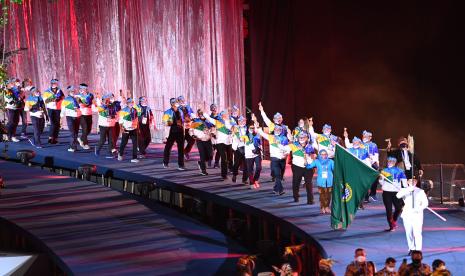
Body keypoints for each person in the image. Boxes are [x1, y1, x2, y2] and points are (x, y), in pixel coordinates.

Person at [345, 129, 380, 202]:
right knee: (363, 180)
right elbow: (348, 145)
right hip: (362, 164)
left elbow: (376, 155)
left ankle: (372, 193)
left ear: (370, 137)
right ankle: (364, 196)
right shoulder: (359, 143)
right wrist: (346, 137)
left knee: (376, 176)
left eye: (367, 136)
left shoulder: (374, 145)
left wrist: (377, 162)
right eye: (364, 135)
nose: (365, 137)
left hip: (372, 162)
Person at [396, 179, 429, 254]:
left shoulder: (420, 191)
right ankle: (411, 248)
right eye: (411, 181)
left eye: (414, 181)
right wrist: (408, 190)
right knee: (409, 232)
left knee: (417, 233)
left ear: (416, 182)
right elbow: (398, 196)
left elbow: (425, 203)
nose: (412, 182)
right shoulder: (404, 190)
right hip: (407, 214)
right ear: (407, 182)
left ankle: (418, 250)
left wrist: (418, 209)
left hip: (417, 215)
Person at [283, 131, 315, 204]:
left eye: (303, 137)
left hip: (308, 167)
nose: (301, 138)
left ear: (307, 138)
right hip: (297, 167)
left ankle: (310, 200)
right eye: (300, 137)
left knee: (309, 184)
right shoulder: (294, 145)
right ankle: (296, 197)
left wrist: (310, 158)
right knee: (296, 183)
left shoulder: (310, 146)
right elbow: (284, 148)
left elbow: (313, 157)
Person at [257, 124, 290, 195]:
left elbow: (288, 148)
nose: (277, 131)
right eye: (276, 130)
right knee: (277, 175)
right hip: (274, 158)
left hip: (282, 159)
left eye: (279, 130)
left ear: (281, 130)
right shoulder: (271, 137)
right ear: (274, 130)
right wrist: (257, 126)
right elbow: (262, 133)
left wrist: (286, 153)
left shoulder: (284, 138)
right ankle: (280, 190)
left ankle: (275, 188)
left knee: (280, 176)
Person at [379, 156, 407, 231]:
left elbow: (404, 183)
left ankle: (393, 220)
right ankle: (391, 226)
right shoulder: (384, 171)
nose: (390, 163)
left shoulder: (400, 171)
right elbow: (381, 183)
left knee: (399, 208)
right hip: (386, 193)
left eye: (391, 161)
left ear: (395, 163)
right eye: (389, 161)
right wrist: (381, 178)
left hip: (396, 192)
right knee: (389, 210)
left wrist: (405, 190)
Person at [204, 110, 233, 180]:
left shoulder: (231, 122)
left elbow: (234, 130)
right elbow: (209, 119)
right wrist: (203, 111)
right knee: (224, 159)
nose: (227, 115)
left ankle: (230, 168)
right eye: (225, 114)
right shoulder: (218, 122)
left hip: (229, 142)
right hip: (220, 142)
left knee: (229, 158)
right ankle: (224, 175)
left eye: (227, 114)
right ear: (222, 115)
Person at [307, 149, 334, 214]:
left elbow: (334, 169)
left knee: (328, 195)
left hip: (329, 181)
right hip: (321, 181)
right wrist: (306, 163)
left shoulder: (330, 161)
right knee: (322, 195)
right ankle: (322, 207)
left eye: (325, 154)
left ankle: (327, 207)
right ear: (320, 155)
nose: (324, 156)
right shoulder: (317, 161)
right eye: (322, 154)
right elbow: (309, 167)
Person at [162, 98, 185, 170]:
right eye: (175, 102)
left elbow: (183, 121)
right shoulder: (167, 112)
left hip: (180, 131)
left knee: (181, 149)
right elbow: (164, 122)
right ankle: (165, 162)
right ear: (172, 104)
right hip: (171, 131)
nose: (177, 103)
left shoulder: (180, 111)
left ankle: (181, 165)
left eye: (177, 102)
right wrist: (170, 123)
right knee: (168, 147)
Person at [190, 109, 214, 175]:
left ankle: (201, 163)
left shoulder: (208, 121)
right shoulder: (195, 122)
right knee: (202, 155)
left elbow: (213, 129)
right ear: (198, 115)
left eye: (202, 113)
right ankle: (203, 170)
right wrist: (193, 135)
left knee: (210, 155)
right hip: (199, 140)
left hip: (207, 140)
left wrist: (212, 133)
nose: (201, 115)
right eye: (200, 114)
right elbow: (191, 130)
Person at [94, 94, 117, 158]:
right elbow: (95, 110)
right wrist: (94, 103)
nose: (107, 101)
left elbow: (116, 115)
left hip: (111, 125)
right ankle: (98, 149)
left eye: (108, 100)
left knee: (111, 140)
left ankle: (110, 153)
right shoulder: (101, 107)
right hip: (103, 125)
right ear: (103, 100)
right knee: (103, 140)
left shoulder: (112, 106)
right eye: (106, 100)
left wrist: (113, 118)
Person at [43, 78, 64, 144]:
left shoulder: (60, 91)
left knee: (57, 124)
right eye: (54, 83)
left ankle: (55, 138)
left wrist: (60, 98)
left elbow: (63, 98)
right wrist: (53, 98)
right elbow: (45, 101)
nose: (55, 84)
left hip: (58, 108)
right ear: (51, 84)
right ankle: (50, 137)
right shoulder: (47, 91)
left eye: (56, 83)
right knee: (53, 123)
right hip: (51, 108)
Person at [60, 86, 81, 152]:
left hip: (77, 117)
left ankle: (74, 146)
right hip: (70, 117)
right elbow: (63, 109)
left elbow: (80, 107)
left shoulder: (77, 98)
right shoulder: (66, 100)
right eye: (72, 91)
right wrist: (61, 117)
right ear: (69, 92)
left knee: (76, 132)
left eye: (74, 91)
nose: (73, 92)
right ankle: (73, 147)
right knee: (72, 132)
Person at [118, 98, 139, 163]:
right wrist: (121, 129)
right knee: (124, 143)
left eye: (132, 102)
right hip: (126, 129)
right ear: (127, 103)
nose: (131, 104)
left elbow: (136, 119)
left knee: (135, 144)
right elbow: (120, 121)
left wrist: (137, 127)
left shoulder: (135, 110)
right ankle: (120, 154)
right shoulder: (123, 111)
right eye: (130, 103)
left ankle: (134, 158)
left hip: (133, 129)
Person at [177, 96, 195, 160]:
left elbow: (192, 114)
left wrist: (193, 119)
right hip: (181, 127)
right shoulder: (177, 108)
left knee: (192, 140)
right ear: (178, 101)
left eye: (183, 99)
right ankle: (181, 155)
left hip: (189, 126)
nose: (182, 101)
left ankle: (186, 151)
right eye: (180, 100)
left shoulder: (188, 107)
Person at [244, 122, 262, 189]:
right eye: (250, 128)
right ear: (248, 128)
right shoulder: (246, 135)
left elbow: (260, 143)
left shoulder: (256, 135)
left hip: (257, 153)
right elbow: (248, 143)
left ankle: (255, 180)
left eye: (253, 128)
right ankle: (251, 182)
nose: (252, 129)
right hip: (249, 154)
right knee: (250, 169)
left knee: (259, 168)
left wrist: (260, 148)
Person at [231, 116, 248, 184]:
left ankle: (244, 179)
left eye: (243, 121)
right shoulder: (236, 127)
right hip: (238, 148)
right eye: (240, 121)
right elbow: (237, 135)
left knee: (246, 164)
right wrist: (240, 138)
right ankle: (234, 175)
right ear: (238, 122)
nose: (242, 122)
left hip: (246, 148)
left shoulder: (247, 128)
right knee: (237, 163)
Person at [76, 83, 94, 149]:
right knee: (85, 129)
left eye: (84, 88)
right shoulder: (77, 96)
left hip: (89, 114)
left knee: (88, 130)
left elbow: (88, 103)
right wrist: (79, 101)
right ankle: (85, 143)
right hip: (81, 114)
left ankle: (81, 138)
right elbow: (77, 103)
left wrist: (82, 102)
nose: (82, 90)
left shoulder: (90, 95)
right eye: (81, 88)